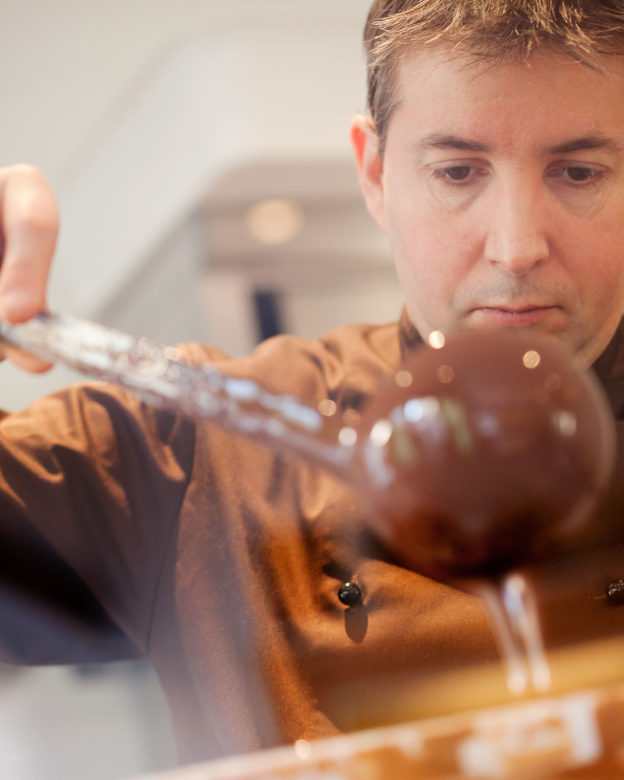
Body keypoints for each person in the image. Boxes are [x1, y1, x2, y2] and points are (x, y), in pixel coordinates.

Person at [1, 0, 624, 768]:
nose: (517, 245)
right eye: (457, 172)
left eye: (579, 172)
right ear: (374, 173)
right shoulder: (199, 453)